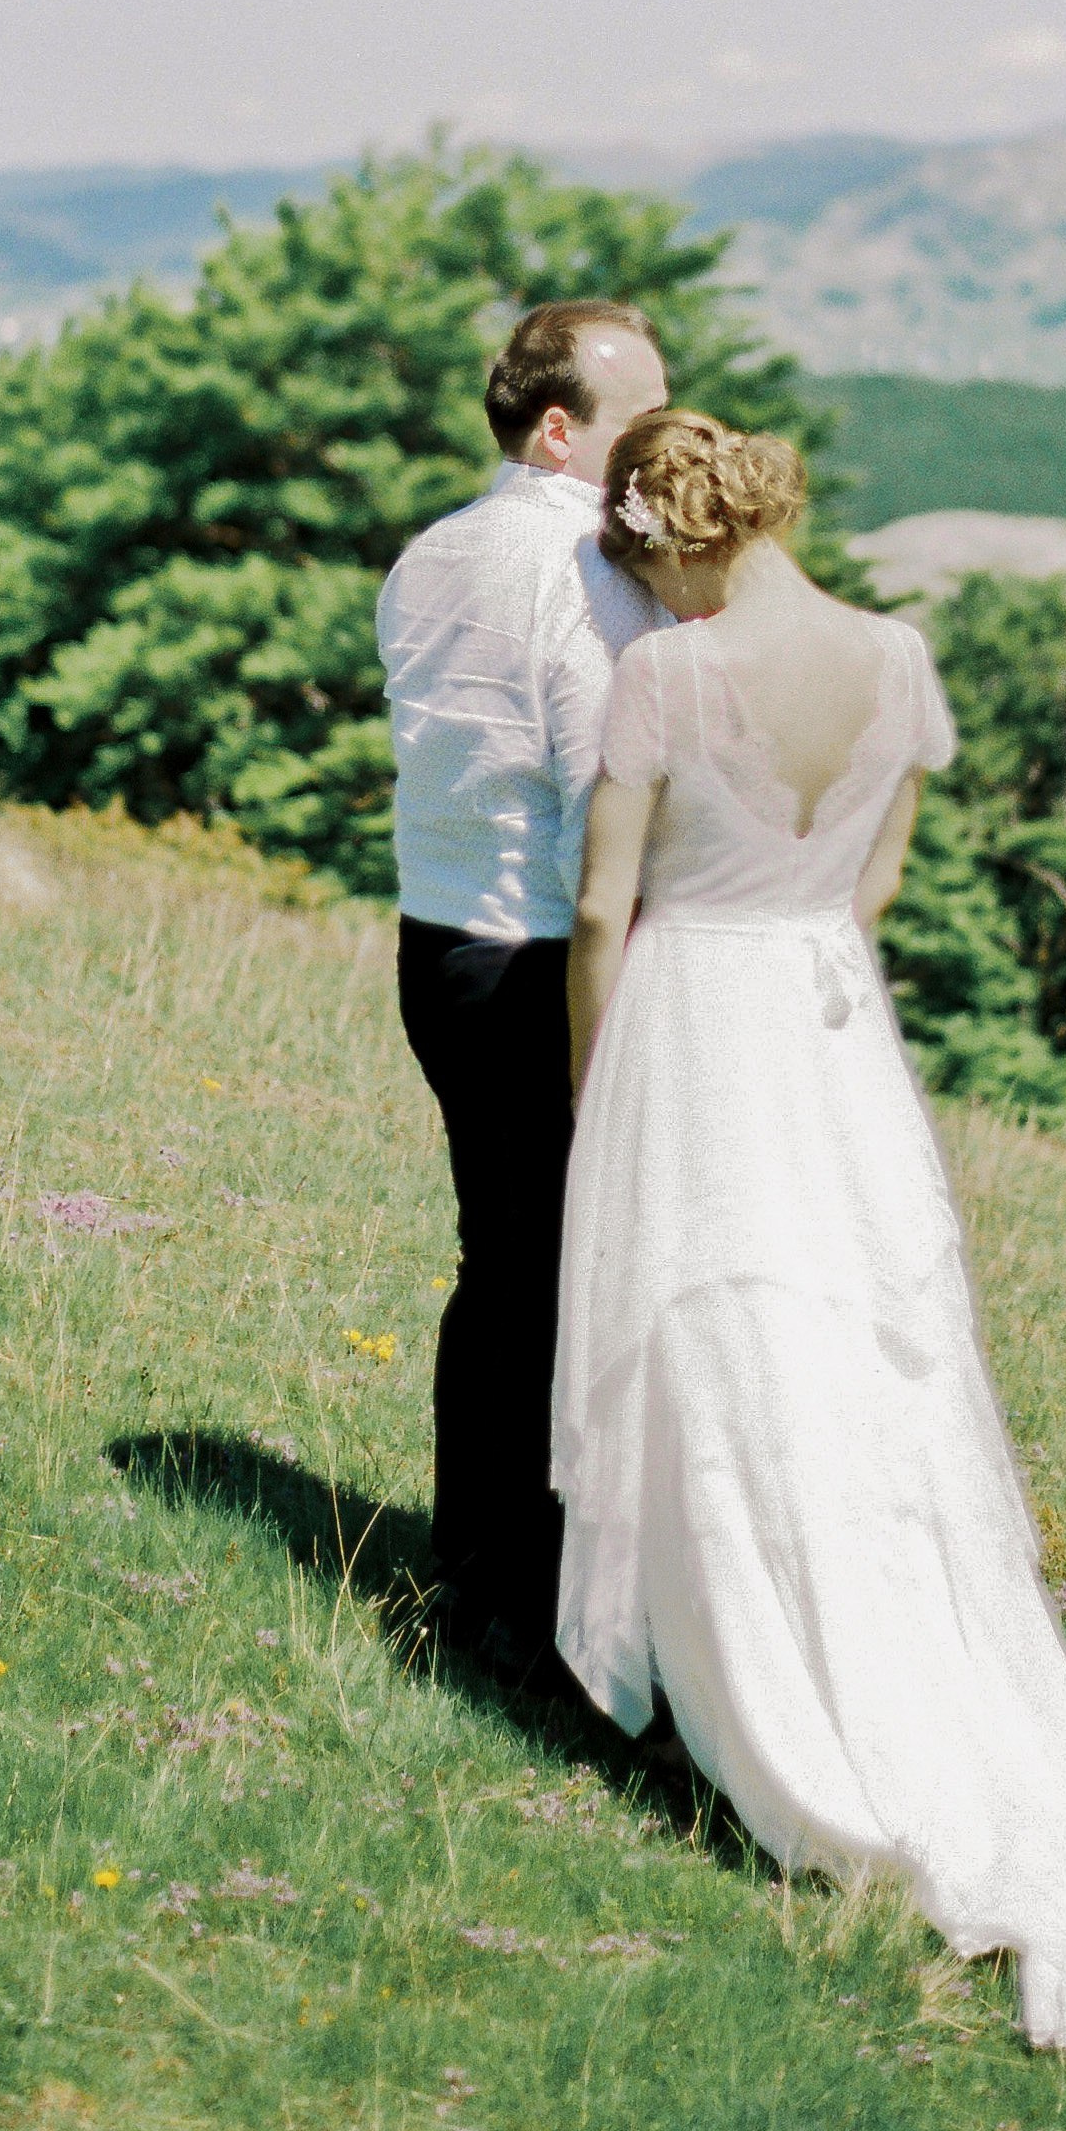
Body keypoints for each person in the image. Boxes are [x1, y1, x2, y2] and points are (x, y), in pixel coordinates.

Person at [554, 406, 1066, 2052]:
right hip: (825, 1025)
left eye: (645, 559)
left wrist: (589, 1098)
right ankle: (883, 1645)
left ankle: (766, 1693)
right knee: (849, 1337)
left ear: (674, 533)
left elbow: (594, 913)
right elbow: (874, 886)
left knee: (720, 1326)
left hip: (696, 1012)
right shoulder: (898, 662)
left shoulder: (664, 680)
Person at [376, 297, 671, 1673]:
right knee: (554, 1278)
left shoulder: (426, 554)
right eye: (635, 420)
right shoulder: (586, 577)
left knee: (501, 1266)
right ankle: (521, 1593)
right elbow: (587, 801)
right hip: (537, 957)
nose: (659, 444)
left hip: (433, 946)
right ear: (560, 432)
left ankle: (479, 1572)